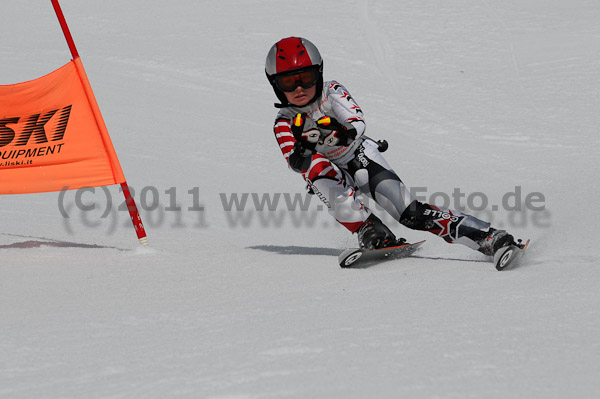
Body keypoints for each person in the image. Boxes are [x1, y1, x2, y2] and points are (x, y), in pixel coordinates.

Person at [265, 36, 516, 256]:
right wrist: (305, 148)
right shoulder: (283, 122)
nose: (299, 88)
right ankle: (369, 229)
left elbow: (357, 120)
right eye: (288, 82)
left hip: (360, 157)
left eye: (305, 78)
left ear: (318, 74)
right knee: (315, 170)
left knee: (410, 214)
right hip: (329, 170)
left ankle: (488, 237)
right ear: (276, 85)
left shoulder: (331, 91)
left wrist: (342, 132)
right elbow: (296, 164)